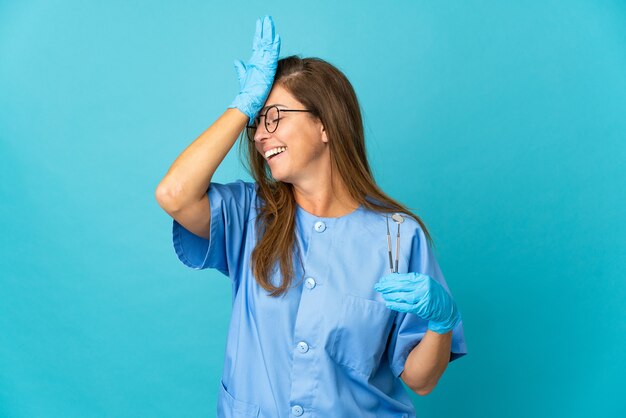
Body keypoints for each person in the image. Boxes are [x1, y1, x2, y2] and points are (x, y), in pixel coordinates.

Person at [156, 15, 467, 418]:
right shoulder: (249, 216)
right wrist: (240, 107)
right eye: (257, 120)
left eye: (275, 117)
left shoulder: (397, 238)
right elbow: (174, 194)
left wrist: (442, 322)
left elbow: (420, 379)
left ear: (323, 124)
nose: (260, 135)